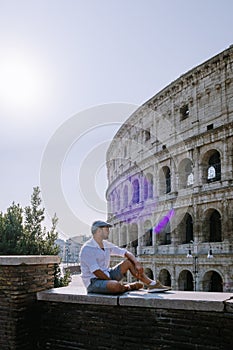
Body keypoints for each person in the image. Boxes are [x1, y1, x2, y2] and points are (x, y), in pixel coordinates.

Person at [79, 220, 171, 294]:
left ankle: (152, 284)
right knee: (115, 286)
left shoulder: (105, 244)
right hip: (93, 281)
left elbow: (124, 252)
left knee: (128, 262)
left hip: (107, 274)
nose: (109, 232)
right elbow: (97, 272)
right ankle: (128, 287)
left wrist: (137, 263)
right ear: (99, 231)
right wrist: (111, 282)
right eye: (106, 229)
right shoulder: (87, 249)